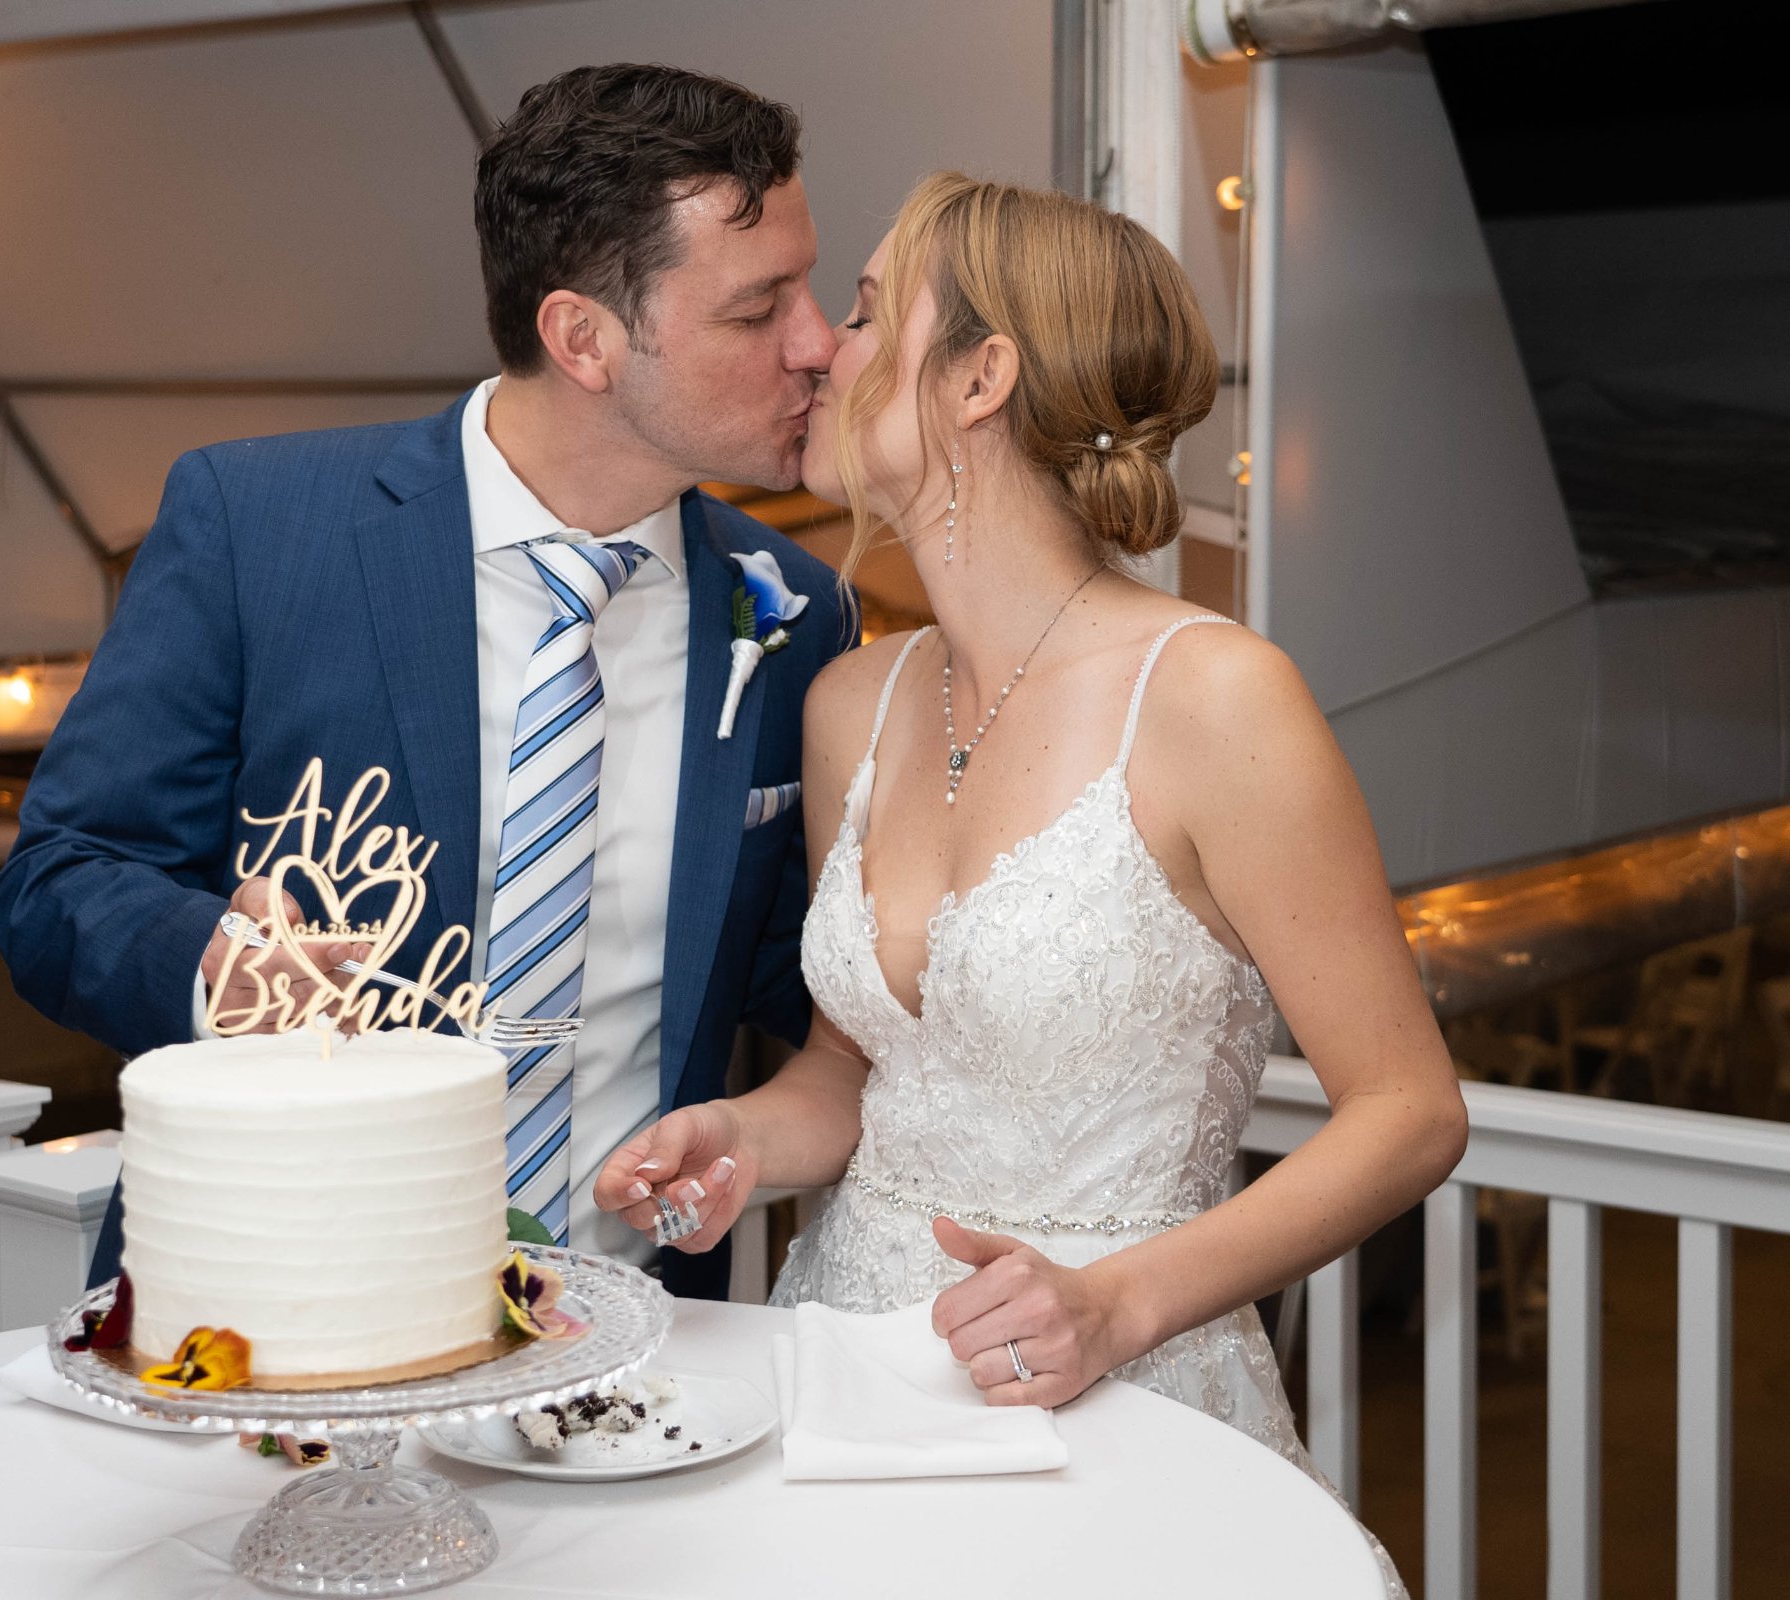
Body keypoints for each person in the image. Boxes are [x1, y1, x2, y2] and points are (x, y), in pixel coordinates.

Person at [596, 172, 1466, 1587]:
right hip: (849, 1388)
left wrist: (1117, 1309)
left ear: (981, 376)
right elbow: (850, 1069)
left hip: (1119, 1399)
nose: (821, 346)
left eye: (871, 312)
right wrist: (748, 1138)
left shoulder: (1217, 698)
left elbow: (1410, 1113)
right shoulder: (853, 702)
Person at [0, 64, 851, 1298]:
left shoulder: (788, 612)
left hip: (634, 1343)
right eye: (758, 308)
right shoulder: (255, 527)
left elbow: (805, 976)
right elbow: (57, 880)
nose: (816, 343)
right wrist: (216, 968)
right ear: (583, 338)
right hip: (276, 1302)